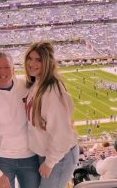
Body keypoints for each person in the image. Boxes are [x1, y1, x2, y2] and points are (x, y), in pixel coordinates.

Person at [24, 41, 79, 188]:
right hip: (48, 152)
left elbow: (62, 135)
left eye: (38, 60)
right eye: (30, 58)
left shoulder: (51, 92)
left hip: (59, 156)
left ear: (47, 62)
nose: (32, 63)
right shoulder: (38, 83)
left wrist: (49, 162)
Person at [0, 51, 40, 188]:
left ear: (13, 69)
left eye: (7, 67)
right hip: (1, 158)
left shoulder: (27, 87)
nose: (2, 71)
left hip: (30, 156)